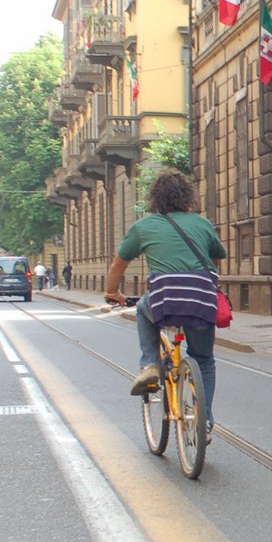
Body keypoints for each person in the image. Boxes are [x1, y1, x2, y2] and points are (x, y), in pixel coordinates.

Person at [104, 170, 228, 433]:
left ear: (155, 199)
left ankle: (149, 364)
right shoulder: (202, 224)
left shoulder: (143, 227)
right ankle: (203, 419)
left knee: (141, 309)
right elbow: (218, 255)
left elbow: (118, 264)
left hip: (164, 299)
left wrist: (111, 292)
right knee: (204, 358)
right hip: (201, 299)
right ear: (187, 197)